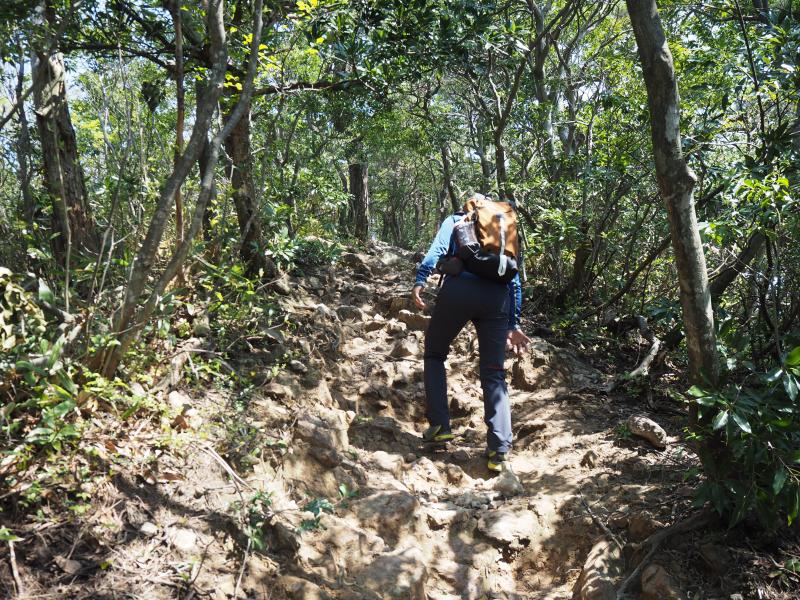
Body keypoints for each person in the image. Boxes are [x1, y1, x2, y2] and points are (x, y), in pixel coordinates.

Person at [411, 199, 531, 472]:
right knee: (494, 372)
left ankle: (440, 426)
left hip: (459, 291)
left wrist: (420, 279)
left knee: (435, 354)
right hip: (497, 299)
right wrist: (514, 323)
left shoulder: (457, 220)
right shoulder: (502, 231)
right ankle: (499, 448)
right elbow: (513, 279)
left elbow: (436, 251)